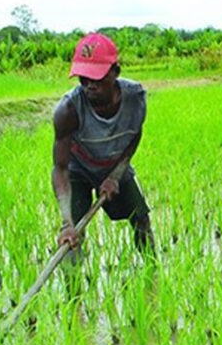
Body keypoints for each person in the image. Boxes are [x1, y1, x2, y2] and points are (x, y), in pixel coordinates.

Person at [51, 33, 154, 258]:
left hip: (113, 164)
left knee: (141, 218)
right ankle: (74, 292)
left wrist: (115, 176)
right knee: (71, 240)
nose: (89, 86)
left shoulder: (135, 98)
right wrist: (66, 222)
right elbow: (60, 168)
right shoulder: (68, 110)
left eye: (96, 78)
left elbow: (134, 135)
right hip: (78, 171)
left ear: (115, 72)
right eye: (83, 79)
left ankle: (153, 277)